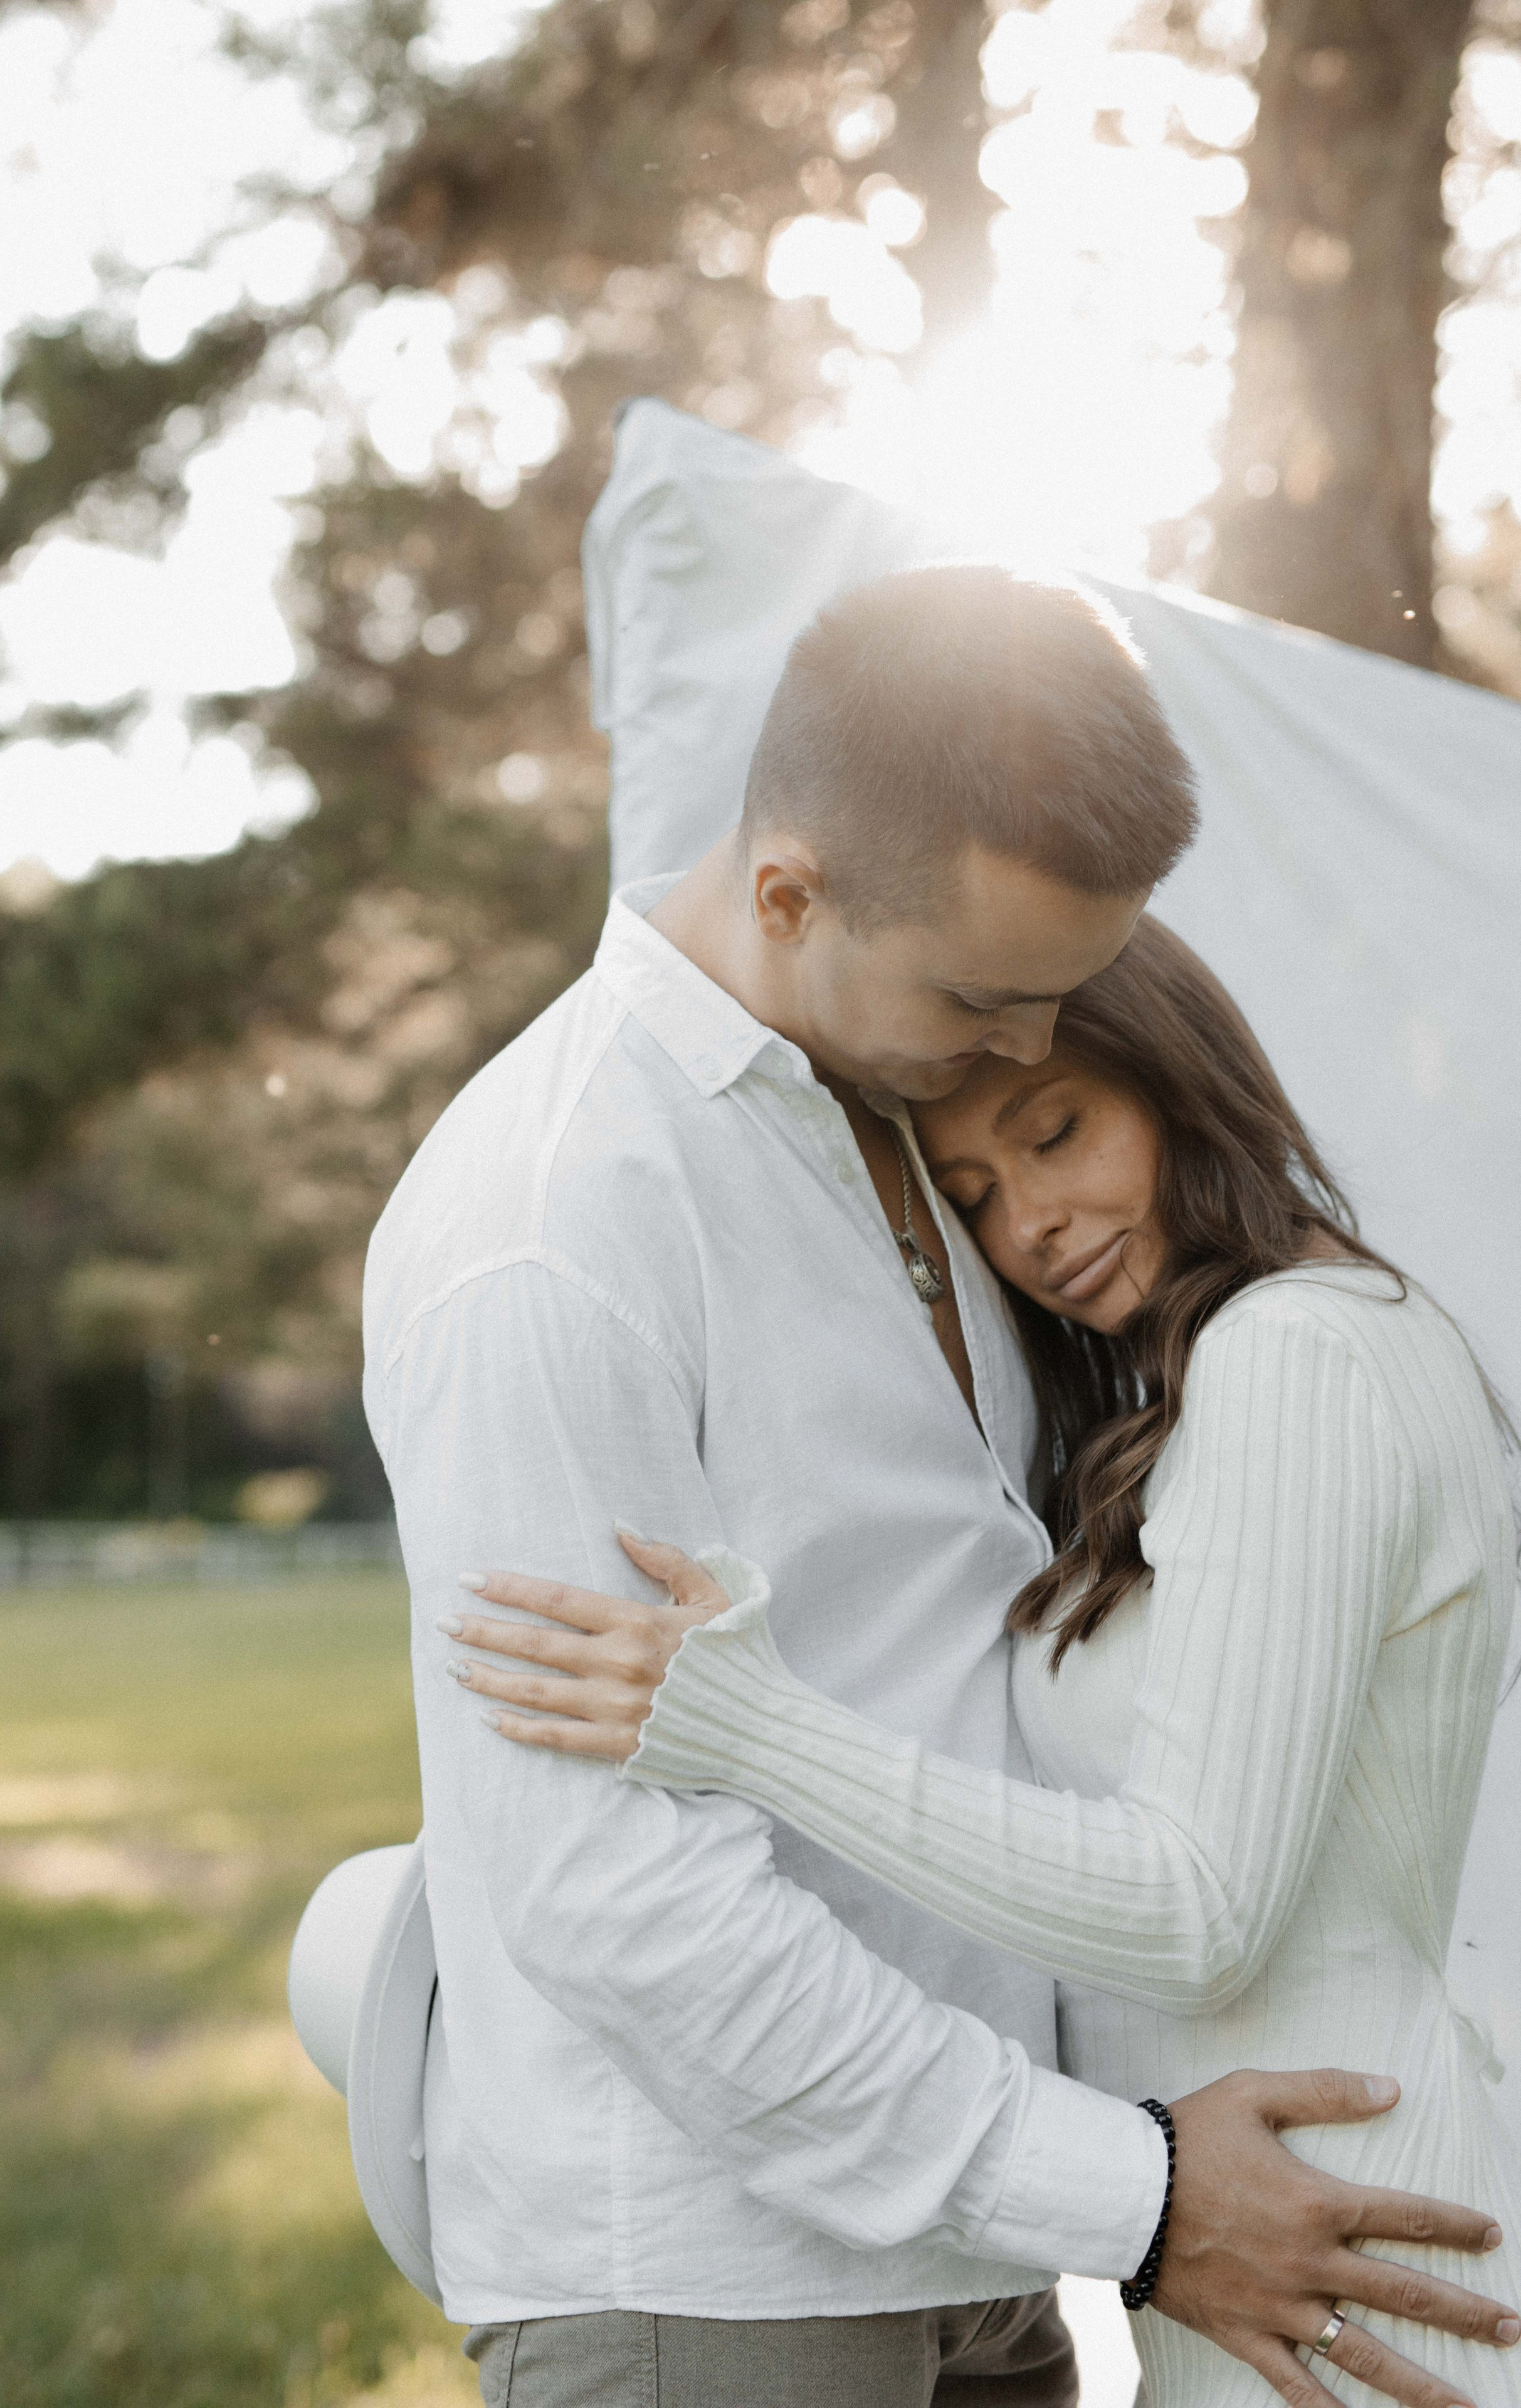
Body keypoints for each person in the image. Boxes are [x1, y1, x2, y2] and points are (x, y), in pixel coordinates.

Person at [362, 565, 1515, 2408]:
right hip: (733, 2280)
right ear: (788, 891)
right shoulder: (556, 1224)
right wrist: (1119, 2187)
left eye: (1068, 1012)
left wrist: (1084, 2197)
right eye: (994, 999)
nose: (1039, 1051)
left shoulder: (901, 1124)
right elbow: (608, 1894)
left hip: (1008, 2250)